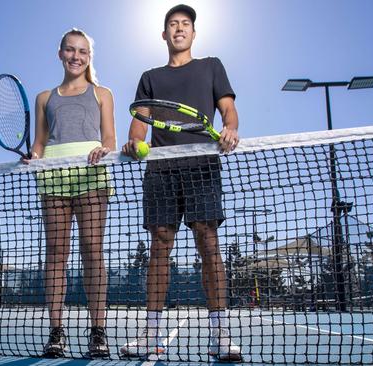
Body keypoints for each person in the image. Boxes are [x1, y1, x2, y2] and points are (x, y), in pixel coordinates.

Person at [120, 4, 242, 361]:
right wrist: (134, 142)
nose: (179, 29)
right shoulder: (150, 76)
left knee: (209, 243)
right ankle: (150, 335)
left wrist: (231, 128)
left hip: (202, 165)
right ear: (164, 34)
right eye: (172, 24)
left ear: (193, 32)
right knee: (159, 247)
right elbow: (139, 123)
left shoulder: (212, 66)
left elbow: (228, 108)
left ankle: (220, 336)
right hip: (161, 169)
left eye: (185, 24)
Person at [25, 28, 116, 358]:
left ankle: (98, 331)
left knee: (92, 249)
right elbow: (39, 142)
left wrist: (104, 151)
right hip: (53, 177)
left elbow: (109, 139)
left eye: (82, 51)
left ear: (89, 57)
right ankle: (56, 332)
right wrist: (33, 157)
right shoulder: (44, 98)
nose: (76, 56)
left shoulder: (102, 93)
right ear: (60, 54)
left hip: (92, 175)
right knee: (56, 253)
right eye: (70, 50)